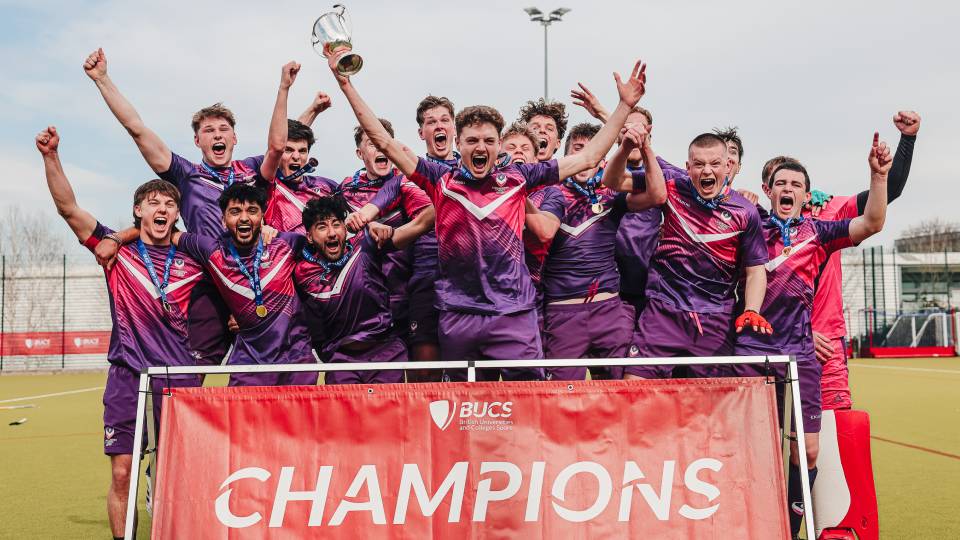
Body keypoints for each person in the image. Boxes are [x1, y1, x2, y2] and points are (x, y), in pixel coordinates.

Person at [329, 52, 648, 380]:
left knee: (527, 405)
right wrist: (345, 84)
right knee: (464, 412)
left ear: (499, 146)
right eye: (472, 140)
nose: (480, 147)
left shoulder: (519, 178)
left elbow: (590, 157)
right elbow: (382, 140)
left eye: (488, 141)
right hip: (458, 315)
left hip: (513, 315)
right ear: (459, 142)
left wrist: (624, 106)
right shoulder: (440, 179)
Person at [36, 126, 203, 539]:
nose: (161, 208)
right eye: (153, 203)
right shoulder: (116, 253)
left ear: (176, 214)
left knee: (172, 471)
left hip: (179, 379)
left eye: (169, 203)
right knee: (123, 471)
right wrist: (51, 157)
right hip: (128, 374)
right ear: (138, 212)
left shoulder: (193, 257)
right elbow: (70, 210)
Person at [82, 49, 292, 367]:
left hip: (254, 278)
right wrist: (103, 80)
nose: (217, 135)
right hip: (207, 279)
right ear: (197, 142)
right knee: (192, 369)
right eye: (208, 131)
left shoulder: (253, 170)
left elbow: (278, 145)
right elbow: (137, 129)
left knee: (275, 362)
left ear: (235, 137)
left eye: (223, 129)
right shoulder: (186, 174)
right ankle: (175, 413)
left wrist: (283, 88)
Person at [738, 134, 891, 536]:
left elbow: (873, 222)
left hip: (799, 352)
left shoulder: (819, 232)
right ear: (768, 191)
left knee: (806, 450)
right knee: (756, 445)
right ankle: (757, 524)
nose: (788, 190)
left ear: (807, 195)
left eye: (796, 185)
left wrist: (878, 177)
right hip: (752, 350)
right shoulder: (748, 226)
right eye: (781, 184)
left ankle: (789, 525)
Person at [605, 133, 771, 379]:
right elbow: (614, 180)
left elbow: (755, 269)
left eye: (715, 164)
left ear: (728, 166)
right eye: (699, 164)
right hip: (664, 312)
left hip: (715, 320)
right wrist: (627, 145)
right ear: (688, 167)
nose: (707, 171)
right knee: (634, 390)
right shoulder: (671, 187)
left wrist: (752, 310)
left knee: (713, 407)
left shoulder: (746, 211)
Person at [541, 123, 667, 380]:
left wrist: (644, 146)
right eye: (579, 150)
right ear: (567, 158)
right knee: (562, 401)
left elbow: (657, 196)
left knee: (626, 394)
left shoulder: (610, 194)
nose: (588, 158)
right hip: (563, 313)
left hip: (609, 310)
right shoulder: (547, 194)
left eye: (595, 152)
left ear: (601, 161)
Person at [173, 183, 317, 386]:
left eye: (252, 211)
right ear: (223, 220)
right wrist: (117, 238)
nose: (243, 218)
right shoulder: (212, 250)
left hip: (294, 359)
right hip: (248, 363)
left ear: (263, 217)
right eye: (234, 212)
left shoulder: (288, 243)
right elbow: (166, 233)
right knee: (243, 419)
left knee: (299, 419)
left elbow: (328, 245)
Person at [294, 196, 431, 384]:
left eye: (336, 224)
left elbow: (420, 225)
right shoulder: (301, 272)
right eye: (322, 227)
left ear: (345, 227)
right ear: (309, 236)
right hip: (341, 361)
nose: (332, 233)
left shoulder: (366, 245)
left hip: (385, 353)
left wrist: (450, 195)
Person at [339, 120, 436, 356]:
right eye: (371, 144)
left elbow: (428, 218)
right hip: (363, 296)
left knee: (416, 368)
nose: (380, 150)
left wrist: (392, 234)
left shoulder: (410, 183)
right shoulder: (344, 189)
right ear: (360, 153)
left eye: (383, 143)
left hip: (404, 292)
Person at [518, 98, 569, 162]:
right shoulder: (512, 170)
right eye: (535, 128)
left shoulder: (566, 170)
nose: (542, 130)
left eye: (549, 129)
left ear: (557, 143)